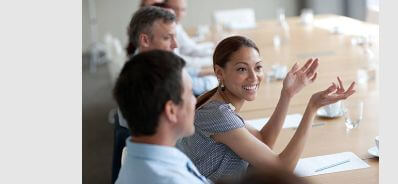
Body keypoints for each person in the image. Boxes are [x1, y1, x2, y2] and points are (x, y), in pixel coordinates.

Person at [176, 35, 356, 181]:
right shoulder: (219, 115)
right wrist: (312, 108)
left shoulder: (215, 103)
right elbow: (282, 169)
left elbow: (263, 142)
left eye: (258, 67)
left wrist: (287, 95)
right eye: (241, 69)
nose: (254, 77)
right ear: (219, 73)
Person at [113, 50, 209, 184]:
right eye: (190, 93)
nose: (195, 101)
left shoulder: (143, 155)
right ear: (171, 111)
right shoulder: (172, 180)